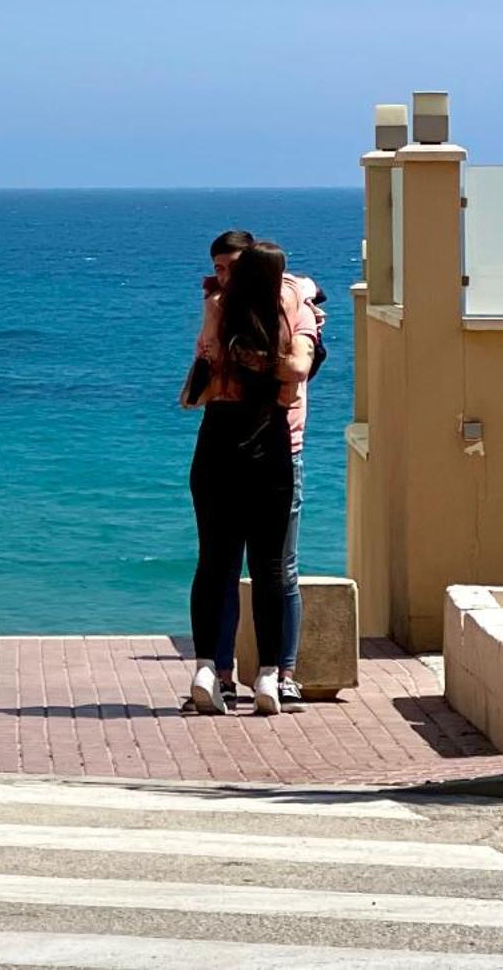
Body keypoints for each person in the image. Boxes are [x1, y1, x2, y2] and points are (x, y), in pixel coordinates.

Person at [185, 239, 316, 717]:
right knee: (272, 568)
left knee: (215, 564)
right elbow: (299, 367)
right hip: (271, 445)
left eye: (230, 268)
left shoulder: (219, 309)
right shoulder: (292, 307)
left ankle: (209, 670)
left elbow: (204, 365)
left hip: (219, 442)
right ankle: (269, 677)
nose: (222, 277)